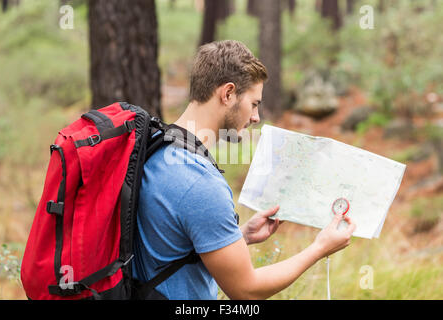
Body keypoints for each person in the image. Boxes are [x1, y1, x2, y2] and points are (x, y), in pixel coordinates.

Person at [132, 40, 356, 300]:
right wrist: (319, 248)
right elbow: (246, 291)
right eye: (254, 103)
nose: (256, 117)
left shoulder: (157, 144)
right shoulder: (199, 182)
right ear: (227, 94)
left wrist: (240, 237)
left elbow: (169, 243)